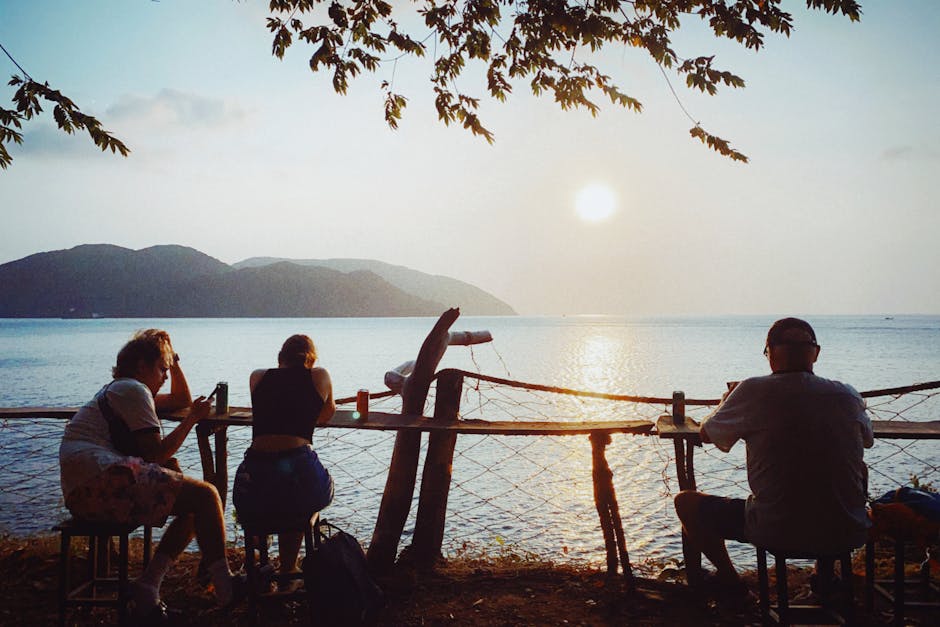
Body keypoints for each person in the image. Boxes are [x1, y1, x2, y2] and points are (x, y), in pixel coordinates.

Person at [673, 317, 874, 594]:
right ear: (815, 353)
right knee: (846, 473)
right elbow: (868, 440)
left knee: (686, 503)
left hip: (777, 530)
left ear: (770, 353)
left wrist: (727, 401)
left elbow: (707, 433)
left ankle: (731, 583)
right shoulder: (848, 394)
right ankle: (825, 577)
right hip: (848, 530)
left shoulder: (753, 390)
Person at [59, 329, 242, 621]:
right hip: (98, 484)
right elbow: (154, 453)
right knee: (206, 495)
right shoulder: (133, 390)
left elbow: (182, 397)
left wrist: (173, 359)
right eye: (161, 370)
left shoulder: (121, 391)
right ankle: (226, 587)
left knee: (185, 489)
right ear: (142, 366)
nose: (165, 377)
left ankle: (148, 586)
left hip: (85, 491)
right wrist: (193, 419)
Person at [233, 334, 335, 585]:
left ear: (281, 358)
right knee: (302, 495)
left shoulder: (257, 376)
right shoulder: (319, 375)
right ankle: (288, 570)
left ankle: (266, 563)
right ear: (310, 359)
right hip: (298, 477)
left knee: (280, 495)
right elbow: (325, 415)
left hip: (253, 478)